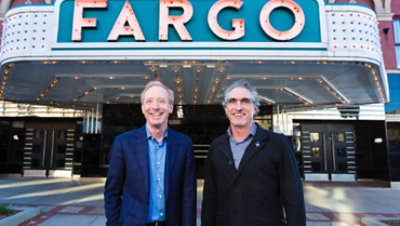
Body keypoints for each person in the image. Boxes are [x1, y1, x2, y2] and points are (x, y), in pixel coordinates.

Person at [201, 79, 306, 226]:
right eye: (232, 101)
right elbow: (210, 200)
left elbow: (293, 198)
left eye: (245, 101)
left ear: (255, 108)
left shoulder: (278, 144)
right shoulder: (216, 147)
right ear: (226, 109)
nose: (238, 107)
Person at [104, 81, 196, 226]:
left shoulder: (184, 145)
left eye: (161, 101)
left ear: (171, 107)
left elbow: (188, 196)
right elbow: (112, 193)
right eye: (149, 101)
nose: (155, 107)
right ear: (143, 108)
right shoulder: (123, 143)